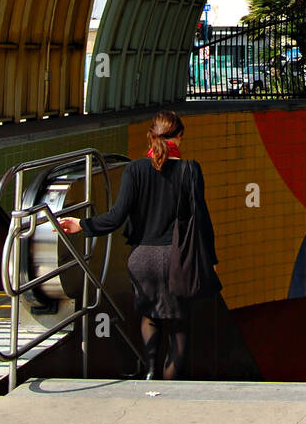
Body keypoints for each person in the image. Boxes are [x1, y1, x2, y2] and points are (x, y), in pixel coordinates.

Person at [57, 111, 218, 380]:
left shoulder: (133, 170)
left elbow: (116, 217)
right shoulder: (191, 170)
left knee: (150, 316)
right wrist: (209, 261)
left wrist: (81, 226)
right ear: (179, 137)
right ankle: (170, 385)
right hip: (177, 260)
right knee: (179, 326)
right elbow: (200, 219)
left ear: (151, 136)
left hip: (142, 259)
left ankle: (150, 369)